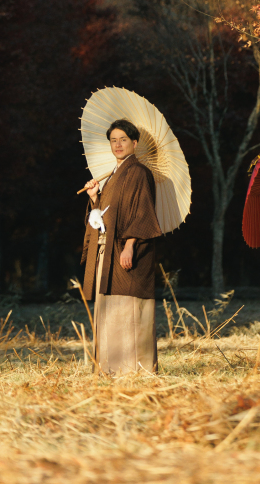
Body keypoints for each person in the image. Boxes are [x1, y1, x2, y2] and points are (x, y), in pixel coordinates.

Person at [81, 119, 162, 375]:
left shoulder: (139, 172)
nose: (118, 144)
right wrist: (95, 199)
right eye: (113, 140)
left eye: (123, 139)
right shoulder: (113, 176)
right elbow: (102, 219)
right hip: (106, 253)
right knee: (109, 307)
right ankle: (110, 368)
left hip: (126, 251)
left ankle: (133, 370)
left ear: (134, 143)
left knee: (129, 306)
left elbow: (142, 213)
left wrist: (130, 246)